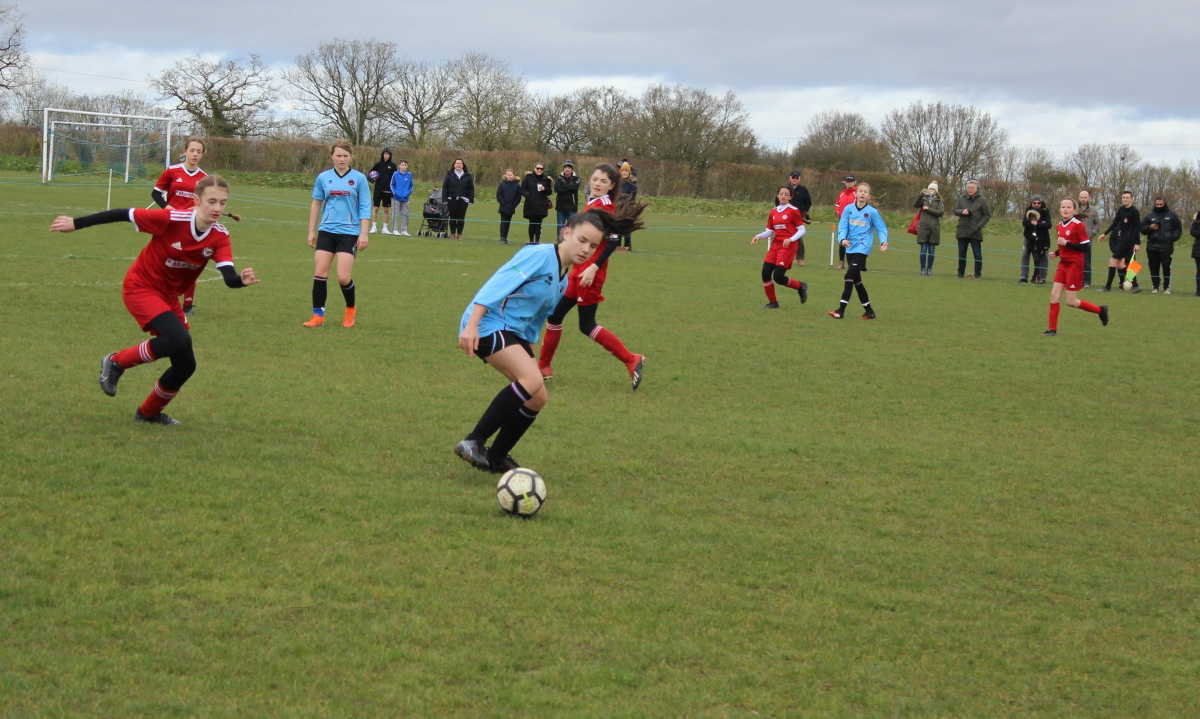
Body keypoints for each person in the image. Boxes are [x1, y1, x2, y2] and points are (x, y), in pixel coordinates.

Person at [48, 175, 259, 425]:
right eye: (211, 201)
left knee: (185, 364)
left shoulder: (220, 236)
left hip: (167, 297)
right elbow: (124, 213)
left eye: (222, 203)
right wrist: (76, 223)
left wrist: (240, 281)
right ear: (196, 200)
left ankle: (148, 413)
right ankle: (116, 361)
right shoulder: (172, 219)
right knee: (178, 339)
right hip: (141, 287)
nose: (217, 208)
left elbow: (228, 276)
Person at [455, 203, 647, 473]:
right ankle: (473, 442)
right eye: (582, 240)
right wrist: (471, 325)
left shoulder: (564, 280)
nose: (585, 249)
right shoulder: (540, 254)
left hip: (512, 331)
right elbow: (498, 283)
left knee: (537, 397)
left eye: (593, 246)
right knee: (531, 381)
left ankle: (497, 457)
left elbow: (535, 320)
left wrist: (528, 354)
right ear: (566, 233)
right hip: (488, 322)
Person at [537, 164, 647, 390]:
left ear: (612, 185)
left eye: (603, 181)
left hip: (589, 274)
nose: (597, 184)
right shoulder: (594, 202)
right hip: (579, 271)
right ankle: (543, 367)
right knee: (555, 316)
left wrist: (594, 267)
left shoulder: (604, 207)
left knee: (587, 325)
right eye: (594, 179)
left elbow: (614, 240)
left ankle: (631, 359)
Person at [303, 139, 370, 328]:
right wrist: (311, 231)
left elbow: (365, 206)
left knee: (342, 277)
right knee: (320, 272)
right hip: (326, 231)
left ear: (351, 157)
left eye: (345, 156)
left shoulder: (359, 179)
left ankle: (350, 309)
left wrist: (363, 233)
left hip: (349, 233)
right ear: (332, 156)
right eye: (338, 155)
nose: (342, 159)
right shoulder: (323, 178)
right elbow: (316, 204)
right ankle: (318, 316)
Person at [153, 136, 208, 317]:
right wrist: (167, 208)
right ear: (185, 151)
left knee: (189, 265)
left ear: (202, 155)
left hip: (191, 227)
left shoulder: (204, 178)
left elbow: (206, 202)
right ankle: (161, 299)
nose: (195, 154)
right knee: (164, 262)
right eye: (192, 150)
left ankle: (188, 306)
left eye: (198, 152)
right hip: (169, 224)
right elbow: (156, 193)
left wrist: (198, 207)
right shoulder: (172, 171)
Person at [1044, 198, 1108, 335]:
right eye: (1063, 207)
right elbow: (1064, 246)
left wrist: (1066, 244)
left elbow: (1085, 246)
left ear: (1074, 210)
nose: (1065, 209)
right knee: (1054, 295)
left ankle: (1100, 310)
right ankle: (1052, 329)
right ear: (1060, 209)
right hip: (1063, 264)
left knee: (1071, 301)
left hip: (1074, 265)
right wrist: (1056, 252)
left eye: (1068, 207)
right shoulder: (1060, 226)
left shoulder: (1078, 225)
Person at [830, 183, 888, 319]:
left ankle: (840, 311)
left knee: (848, 277)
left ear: (868, 195)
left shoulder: (872, 212)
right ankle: (869, 311)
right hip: (850, 248)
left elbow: (881, 228)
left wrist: (883, 241)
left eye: (865, 192)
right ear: (856, 194)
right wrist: (842, 239)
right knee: (857, 281)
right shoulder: (848, 209)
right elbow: (842, 226)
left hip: (863, 248)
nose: (862, 193)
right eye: (860, 191)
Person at [751, 186, 809, 308]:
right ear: (777, 195)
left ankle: (800, 286)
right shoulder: (773, 211)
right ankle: (773, 302)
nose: (783, 196)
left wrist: (791, 239)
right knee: (765, 273)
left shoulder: (793, 211)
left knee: (778, 277)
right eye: (781, 193)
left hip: (788, 246)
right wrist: (759, 236)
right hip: (776, 244)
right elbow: (769, 231)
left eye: (786, 194)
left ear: (790, 197)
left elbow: (802, 229)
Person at [1096, 190, 1141, 293]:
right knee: (1121, 264)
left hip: (1128, 241)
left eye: (1127, 197)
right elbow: (1115, 223)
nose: (1125, 199)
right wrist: (1105, 233)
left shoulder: (1134, 211)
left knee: (1112, 261)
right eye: (1123, 197)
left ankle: (1107, 287)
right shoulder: (1121, 210)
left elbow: (1137, 227)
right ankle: (1136, 285)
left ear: (1132, 199)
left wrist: (1137, 243)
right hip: (1122, 239)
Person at [1139, 196, 1182, 293]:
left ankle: (1167, 287)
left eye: (1160, 204)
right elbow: (1142, 229)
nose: (1159, 206)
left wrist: (1172, 238)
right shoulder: (1149, 216)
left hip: (1167, 247)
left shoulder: (1172, 216)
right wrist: (1150, 227)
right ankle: (1155, 287)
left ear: (1165, 204)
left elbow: (1178, 228)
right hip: (1152, 246)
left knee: (1166, 267)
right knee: (1153, 267)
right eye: (1157, 204)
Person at [953, 180, 991, 279]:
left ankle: (977, 274)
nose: (970, 189)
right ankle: (960, 273)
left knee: (977, 254)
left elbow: (987, 216)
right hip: (962, 230)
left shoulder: (982, 200)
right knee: (961, 253)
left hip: (975, 231)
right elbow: (955, 210)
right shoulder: (961, 198)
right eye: (968, 187)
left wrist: (978, 226)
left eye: (972, 188)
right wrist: (962, 212)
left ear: (977, 189)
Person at [1019, 195, 1051, 284]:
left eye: (1038, 203)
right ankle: (1024, 276)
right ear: (1031, 203)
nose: (1036, 204)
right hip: (1029, 238)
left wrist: (1037, 224)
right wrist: (1039, 224)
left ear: (1041, 203)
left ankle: (1042, 277)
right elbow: (1025, 223)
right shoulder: (1028, 210)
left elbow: (1048, 225)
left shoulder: (1045, 211)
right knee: (1025, 255)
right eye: (1034, 203)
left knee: (1043, 257)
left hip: (1042, 238)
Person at [913, 181, 942, 275]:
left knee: (932, 251)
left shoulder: (939, 201)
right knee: (923, 250)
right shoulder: (923, 199)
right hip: (923, 227)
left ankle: (929, 269)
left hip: (934, 228)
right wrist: (920, 195)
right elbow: (915, 205)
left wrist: (928, 209)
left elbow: (940, 212)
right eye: (930, 189)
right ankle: (922, 269)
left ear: (936, 191)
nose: (931, 190)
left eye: (933, 189)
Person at [441, 158, 474, 240]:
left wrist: (471, 199)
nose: (459, 165)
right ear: (454, 165)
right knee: (452, 217)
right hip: (452, 199)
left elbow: (471, 188)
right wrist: (444, 199)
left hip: (464, 200)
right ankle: (452, 234)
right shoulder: (449, 175)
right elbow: (445, 187)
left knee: (461, 218)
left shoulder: (468, 176)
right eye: (457, 163)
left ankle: (459, 234)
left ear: (463, 165)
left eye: (460, 163)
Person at [521, 162, 553, 244]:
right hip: (530, 204)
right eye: (537, 168)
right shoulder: (528, 178)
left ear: (543, 170)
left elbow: (549, 192)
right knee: (531, 224)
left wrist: (544, 189)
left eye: (541, 169)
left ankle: (537, 241)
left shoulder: (546, 179)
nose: (539, 170)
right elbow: (522, 189)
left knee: (538, 224)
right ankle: (531, 241)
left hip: (541, 205)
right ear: (534, 168)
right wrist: (528, 195)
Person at [786, 170, 813, 267]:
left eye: (797, 177)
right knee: (783, 235)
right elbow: (778, 200)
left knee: (798, 238)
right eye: (793, 177)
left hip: (798, 217)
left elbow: (808, 203)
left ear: (799, 179)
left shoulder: (803, 190)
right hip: (785, 216)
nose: (795, 179)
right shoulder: (785, 189)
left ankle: (800, 259)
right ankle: (784, 257)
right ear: (790, 178)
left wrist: (803, 213)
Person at [369, 147, 397, 234]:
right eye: (385, 154)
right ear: (382, 154)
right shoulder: (378, 165)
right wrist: (372, 179)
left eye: (388, 154)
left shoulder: (393, 165)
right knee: (376, 208)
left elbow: (395, 178)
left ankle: (385, 228)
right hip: (378, 189)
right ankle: (374, 227)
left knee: (386, 209)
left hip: (388, 191)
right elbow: (370, 175)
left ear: (390, 155)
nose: (386, 155)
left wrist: (393, 190)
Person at [1076, 190, 1102, 287]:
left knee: (1086, 262)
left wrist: (1093, 232)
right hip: (1075, 241)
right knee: (1076, 262)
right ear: (1079, 198)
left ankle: (1087, 282)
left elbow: (1098, 223)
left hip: (1087, 241)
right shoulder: (1074, 209)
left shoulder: (1093, 210)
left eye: (1085, 197)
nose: (1083, 199)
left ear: (1089, 198)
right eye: (1081, 197)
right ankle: (1077, 280)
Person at [833, 175, 857, 269]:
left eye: (851, 181)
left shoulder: (857, 193)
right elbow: (837, 204)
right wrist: (837, 211)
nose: (849, 183)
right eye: (847, 181)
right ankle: (841, 263)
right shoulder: (842, 193)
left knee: (853, 242)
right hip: (842, 221)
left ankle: (853, 262)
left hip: (853, 222)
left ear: (854, 182)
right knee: (842, 241)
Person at [554, 160, 580, 239]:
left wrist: (564, 186)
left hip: (571, 207)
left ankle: (571, 242)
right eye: (565, 167)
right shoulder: (559, 178)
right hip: (560, 207)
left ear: (572, 169)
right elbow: (556, 189)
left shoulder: (576, 178)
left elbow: (575, 188)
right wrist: (569, 188)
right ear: (563, 169)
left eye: (569, 168)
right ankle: (560, 242)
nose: (567, 169)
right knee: (560, 226)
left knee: (571, 227)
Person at [387, 159, 413, 236]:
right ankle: (394, 229)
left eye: (405, 165)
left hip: (405, 198)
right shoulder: (395, 174)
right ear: (399, 166)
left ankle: (404, 230)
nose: (403, 166)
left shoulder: (409, 175)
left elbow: (411, 186)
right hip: (396, 198)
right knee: (395, 214)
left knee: (405, 214)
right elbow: (392, 184)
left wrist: (407, 194)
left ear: (407, 166)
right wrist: (395, 193)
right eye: (402, 165)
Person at [495, 168, 521, 245]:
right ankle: (502, 238)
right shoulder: (502, 184)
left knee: (508, 223)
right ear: (505, 175)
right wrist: (503, 203)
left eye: (511, 175)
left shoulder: (517, 185)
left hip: (511, 207)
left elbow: (518, 197)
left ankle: (505, 238)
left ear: (514, 176)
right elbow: (499, 195)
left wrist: (513, 205)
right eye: (508, 175)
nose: (509, 176)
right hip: (503, 207)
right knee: (503, 222)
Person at [616, 163, 638, 252]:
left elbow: (633, 194)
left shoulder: (633, 182)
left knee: (626, 227)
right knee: (617, 226)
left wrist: (626, 202)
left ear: (629, 172)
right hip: (618, 206)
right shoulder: (617, 182)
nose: (624, 173)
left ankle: (627, 245)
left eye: (626, 171)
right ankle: (617, 246)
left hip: (628, 207)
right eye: (623, 171)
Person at [1190, 211, 1200, 296]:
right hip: (1198, 249)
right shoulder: (1197, 217)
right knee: (1199, 271)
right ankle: (1199, 290)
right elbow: (1193, 231)